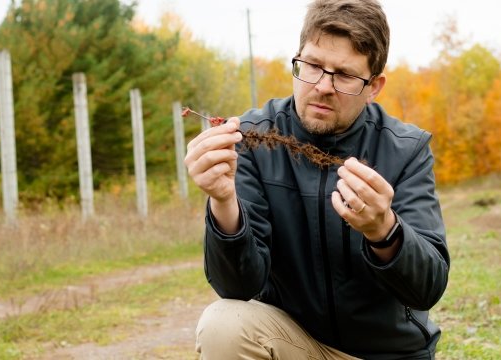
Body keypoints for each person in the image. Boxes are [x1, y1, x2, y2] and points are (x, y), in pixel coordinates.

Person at [184, 0, 449, 358]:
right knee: (223, 324)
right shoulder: (253, 138)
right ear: (297, 59)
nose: (323, 86)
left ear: (374, 86)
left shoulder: (405, 150)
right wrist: (223, 202)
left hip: (389, 354)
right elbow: (237, 286)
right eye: (312, 66)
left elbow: (428, 287)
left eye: (344, 75)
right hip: (297, 347)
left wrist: (385, 230)